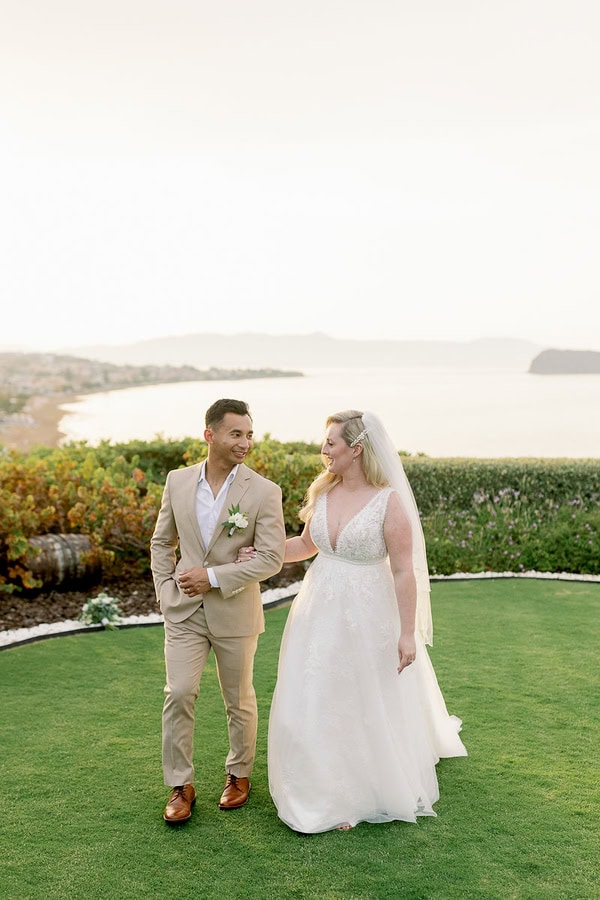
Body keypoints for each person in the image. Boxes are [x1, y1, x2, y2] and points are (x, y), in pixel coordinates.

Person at [237, 409, 467, 834]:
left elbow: (403, 571)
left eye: (331, 443)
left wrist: (405, 632)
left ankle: (358, 790)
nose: (323, 449)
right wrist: (262, 553)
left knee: (361, 695)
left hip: (368, 613)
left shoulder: (388, 502)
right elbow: (306, 545)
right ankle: (318, 780)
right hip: (318, 607)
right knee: (318, 690)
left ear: (356, 449)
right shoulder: (323, 493)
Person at [150, 398, 286, 825]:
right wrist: (164, 591)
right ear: (210, 434)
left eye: (249, 434)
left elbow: (271, 558)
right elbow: (161, 543)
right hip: (184, 612)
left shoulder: (264, 491)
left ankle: (238, 774)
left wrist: (211, 576)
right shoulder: (177, 480)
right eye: (236, 434)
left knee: (238, 699)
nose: (245, 443)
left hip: (234, 610)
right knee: (178, 693)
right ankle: (180, 784)